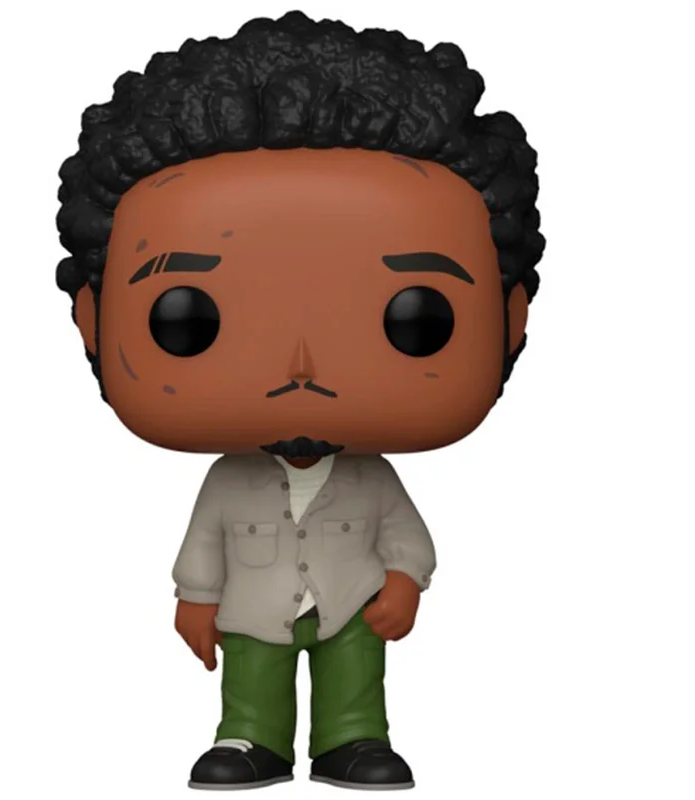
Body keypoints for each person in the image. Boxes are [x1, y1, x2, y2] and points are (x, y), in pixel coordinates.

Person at [55, 10, 545, 791]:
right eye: (188, 320)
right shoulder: (229, 480)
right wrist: (194, 600)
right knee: (252, 676)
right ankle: (251, 740)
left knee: (355, 676)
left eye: (417, 319)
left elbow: (408, 538)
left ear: (509, 321)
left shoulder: (373, 480)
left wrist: (403, 583)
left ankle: (354, 739)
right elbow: (203, 545)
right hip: (255, 607)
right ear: (93, 319)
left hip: (351, 603)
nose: (301, 367)